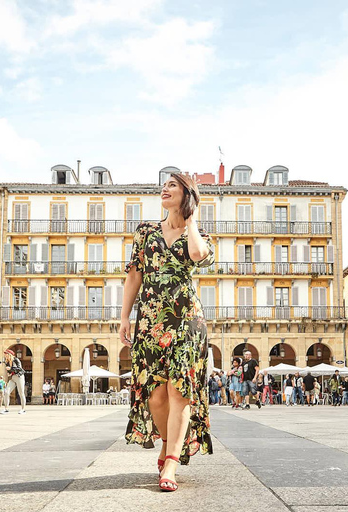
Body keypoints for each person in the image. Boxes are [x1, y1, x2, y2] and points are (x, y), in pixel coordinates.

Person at [119, 172, 215, 492]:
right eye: (164, 185)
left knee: (179, 392)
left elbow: (199, 255)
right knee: (156, 396)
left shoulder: (196, 234)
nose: (165, 188)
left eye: (172, 185)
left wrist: (192, 220)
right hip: (150, 320)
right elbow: (134, 275)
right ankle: (167, 441)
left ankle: (171, 461)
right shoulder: (145, 232)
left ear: (186, 194)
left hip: (187, 320)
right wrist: (124, 318)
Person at [1, 348, 27, 415]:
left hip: (19, 377)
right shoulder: (7, 362)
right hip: (13, 378)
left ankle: (23, 409)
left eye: (6, 354)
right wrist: (9, 373)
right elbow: (10, 371)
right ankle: (6, 409)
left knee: (21, 393)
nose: (5, 355)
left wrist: (11, 368)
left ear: (10, 355)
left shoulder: (16, 360)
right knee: (6, 392)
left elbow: (20, 368)